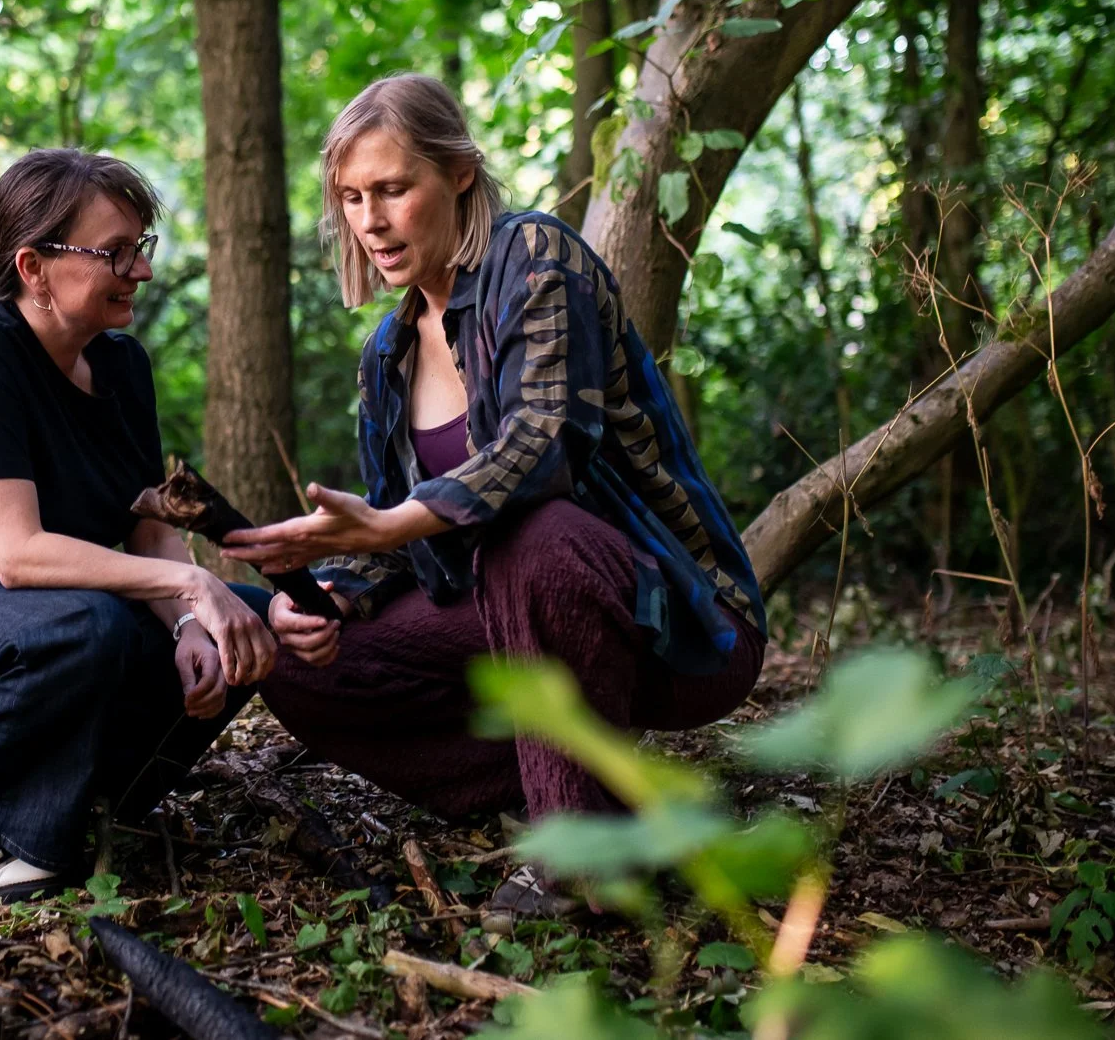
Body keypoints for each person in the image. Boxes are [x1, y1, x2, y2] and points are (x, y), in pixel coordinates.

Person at [225, 74, 767, 921]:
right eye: (353, 197)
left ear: (460, 174)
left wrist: (389, 526)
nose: (371, 219)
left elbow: (541, 448)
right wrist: (338, 587)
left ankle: (577, 860)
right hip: (506, 620)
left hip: (681, 618)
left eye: (395, 189)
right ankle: (598, 795)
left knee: (533, 535)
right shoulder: (387, 353)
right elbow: (406, 537)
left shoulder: (536, 259)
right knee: (292, 651)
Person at [0, 148, 322, 905]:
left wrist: (187, 621)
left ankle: (76, 813)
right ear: (33, 265)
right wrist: (190, 580)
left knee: (239, 621)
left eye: (140, 248)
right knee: (83, 624)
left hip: (8, 620)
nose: (139, 270)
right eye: (115, 251)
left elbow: (144, 523)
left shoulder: (120, 366)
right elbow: (18, 555)